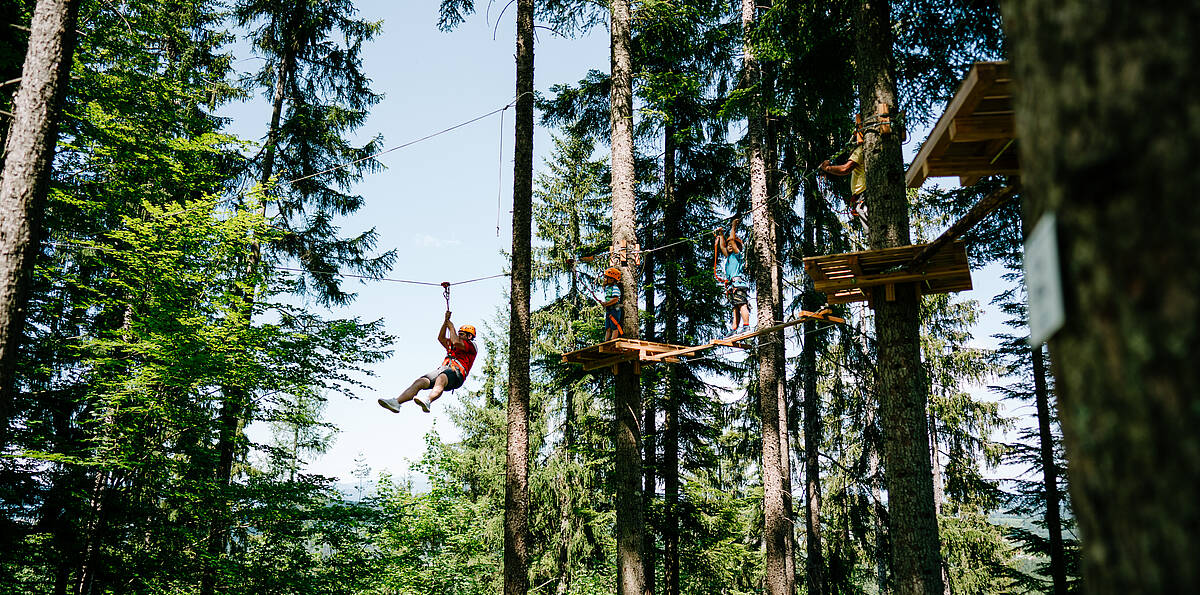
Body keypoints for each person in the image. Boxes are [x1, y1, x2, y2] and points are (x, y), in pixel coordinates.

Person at [378, 312, 478, 414]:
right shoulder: (453, 345)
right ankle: (397, 402)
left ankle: (428, 400)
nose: (458, 335)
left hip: (457, 374)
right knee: (420, 382)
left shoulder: (472, 346)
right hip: (444, 369)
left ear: (469, 336)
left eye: (461, 334)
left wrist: (451, 327)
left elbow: (456, 341)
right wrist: (446, 322)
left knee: (441, 378)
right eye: (458, 333)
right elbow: (441, 338)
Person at [714, 219, 752, 337]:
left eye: (732, 245)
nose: (729, 246)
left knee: (741, 304)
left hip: (738, 283)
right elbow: (722, 247)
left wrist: (733, 227)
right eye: (729, 246)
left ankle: (746, 326)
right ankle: (734, 328)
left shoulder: (737, 255)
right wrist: (721, 235)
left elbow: (731, 240)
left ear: (737, 247)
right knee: (735, 307)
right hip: (732, 286)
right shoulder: (729, 257)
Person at [820, 144, 867, 226]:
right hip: (861, 196)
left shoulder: (860, 149)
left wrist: (827, 168)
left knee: (872, 230)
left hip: (864, 195)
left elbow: (845, 169)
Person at [600, 267, 624, 341]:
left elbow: (615, 299)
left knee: (614, 326)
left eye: (606, 278)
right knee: (608, 327)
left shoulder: (615, 288)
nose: (605, 279)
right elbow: (603, 286)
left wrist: (606, 303)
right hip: (609, 309)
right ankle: (606, 341)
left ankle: (613, 340)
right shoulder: (608, 288)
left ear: (612, 279)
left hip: (614, 309)